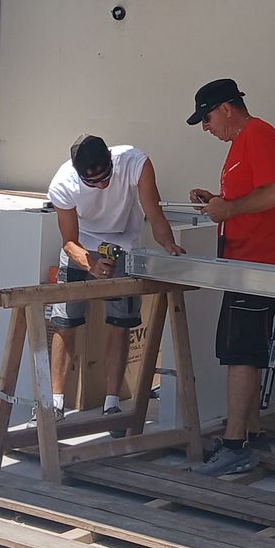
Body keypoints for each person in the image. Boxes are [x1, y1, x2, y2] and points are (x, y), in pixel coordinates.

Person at [185, 78, 275, 478]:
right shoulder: (242, 143)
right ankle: (252, 433)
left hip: (258, 262)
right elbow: (254, 195)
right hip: (245, 261)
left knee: (240, 352)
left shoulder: (258, 135)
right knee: (244, 348)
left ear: (227, 108)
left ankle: (234, 445)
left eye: (207, 117)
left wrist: (228, 210)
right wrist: (218, 201)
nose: (206, 127)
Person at [44, 134, 184, 419]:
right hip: (81, 248)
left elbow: (154, 213)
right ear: (78, 174)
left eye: (106, 177)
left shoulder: (135, 162)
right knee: (64, 323)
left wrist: (169, 245)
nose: (102, 185)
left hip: (123, 245)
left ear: (111, 160)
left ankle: (112, 402)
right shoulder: (62, 184)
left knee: (120, 324)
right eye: (92, 182)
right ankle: (54, 402)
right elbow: (69, 241)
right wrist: (91, 264)